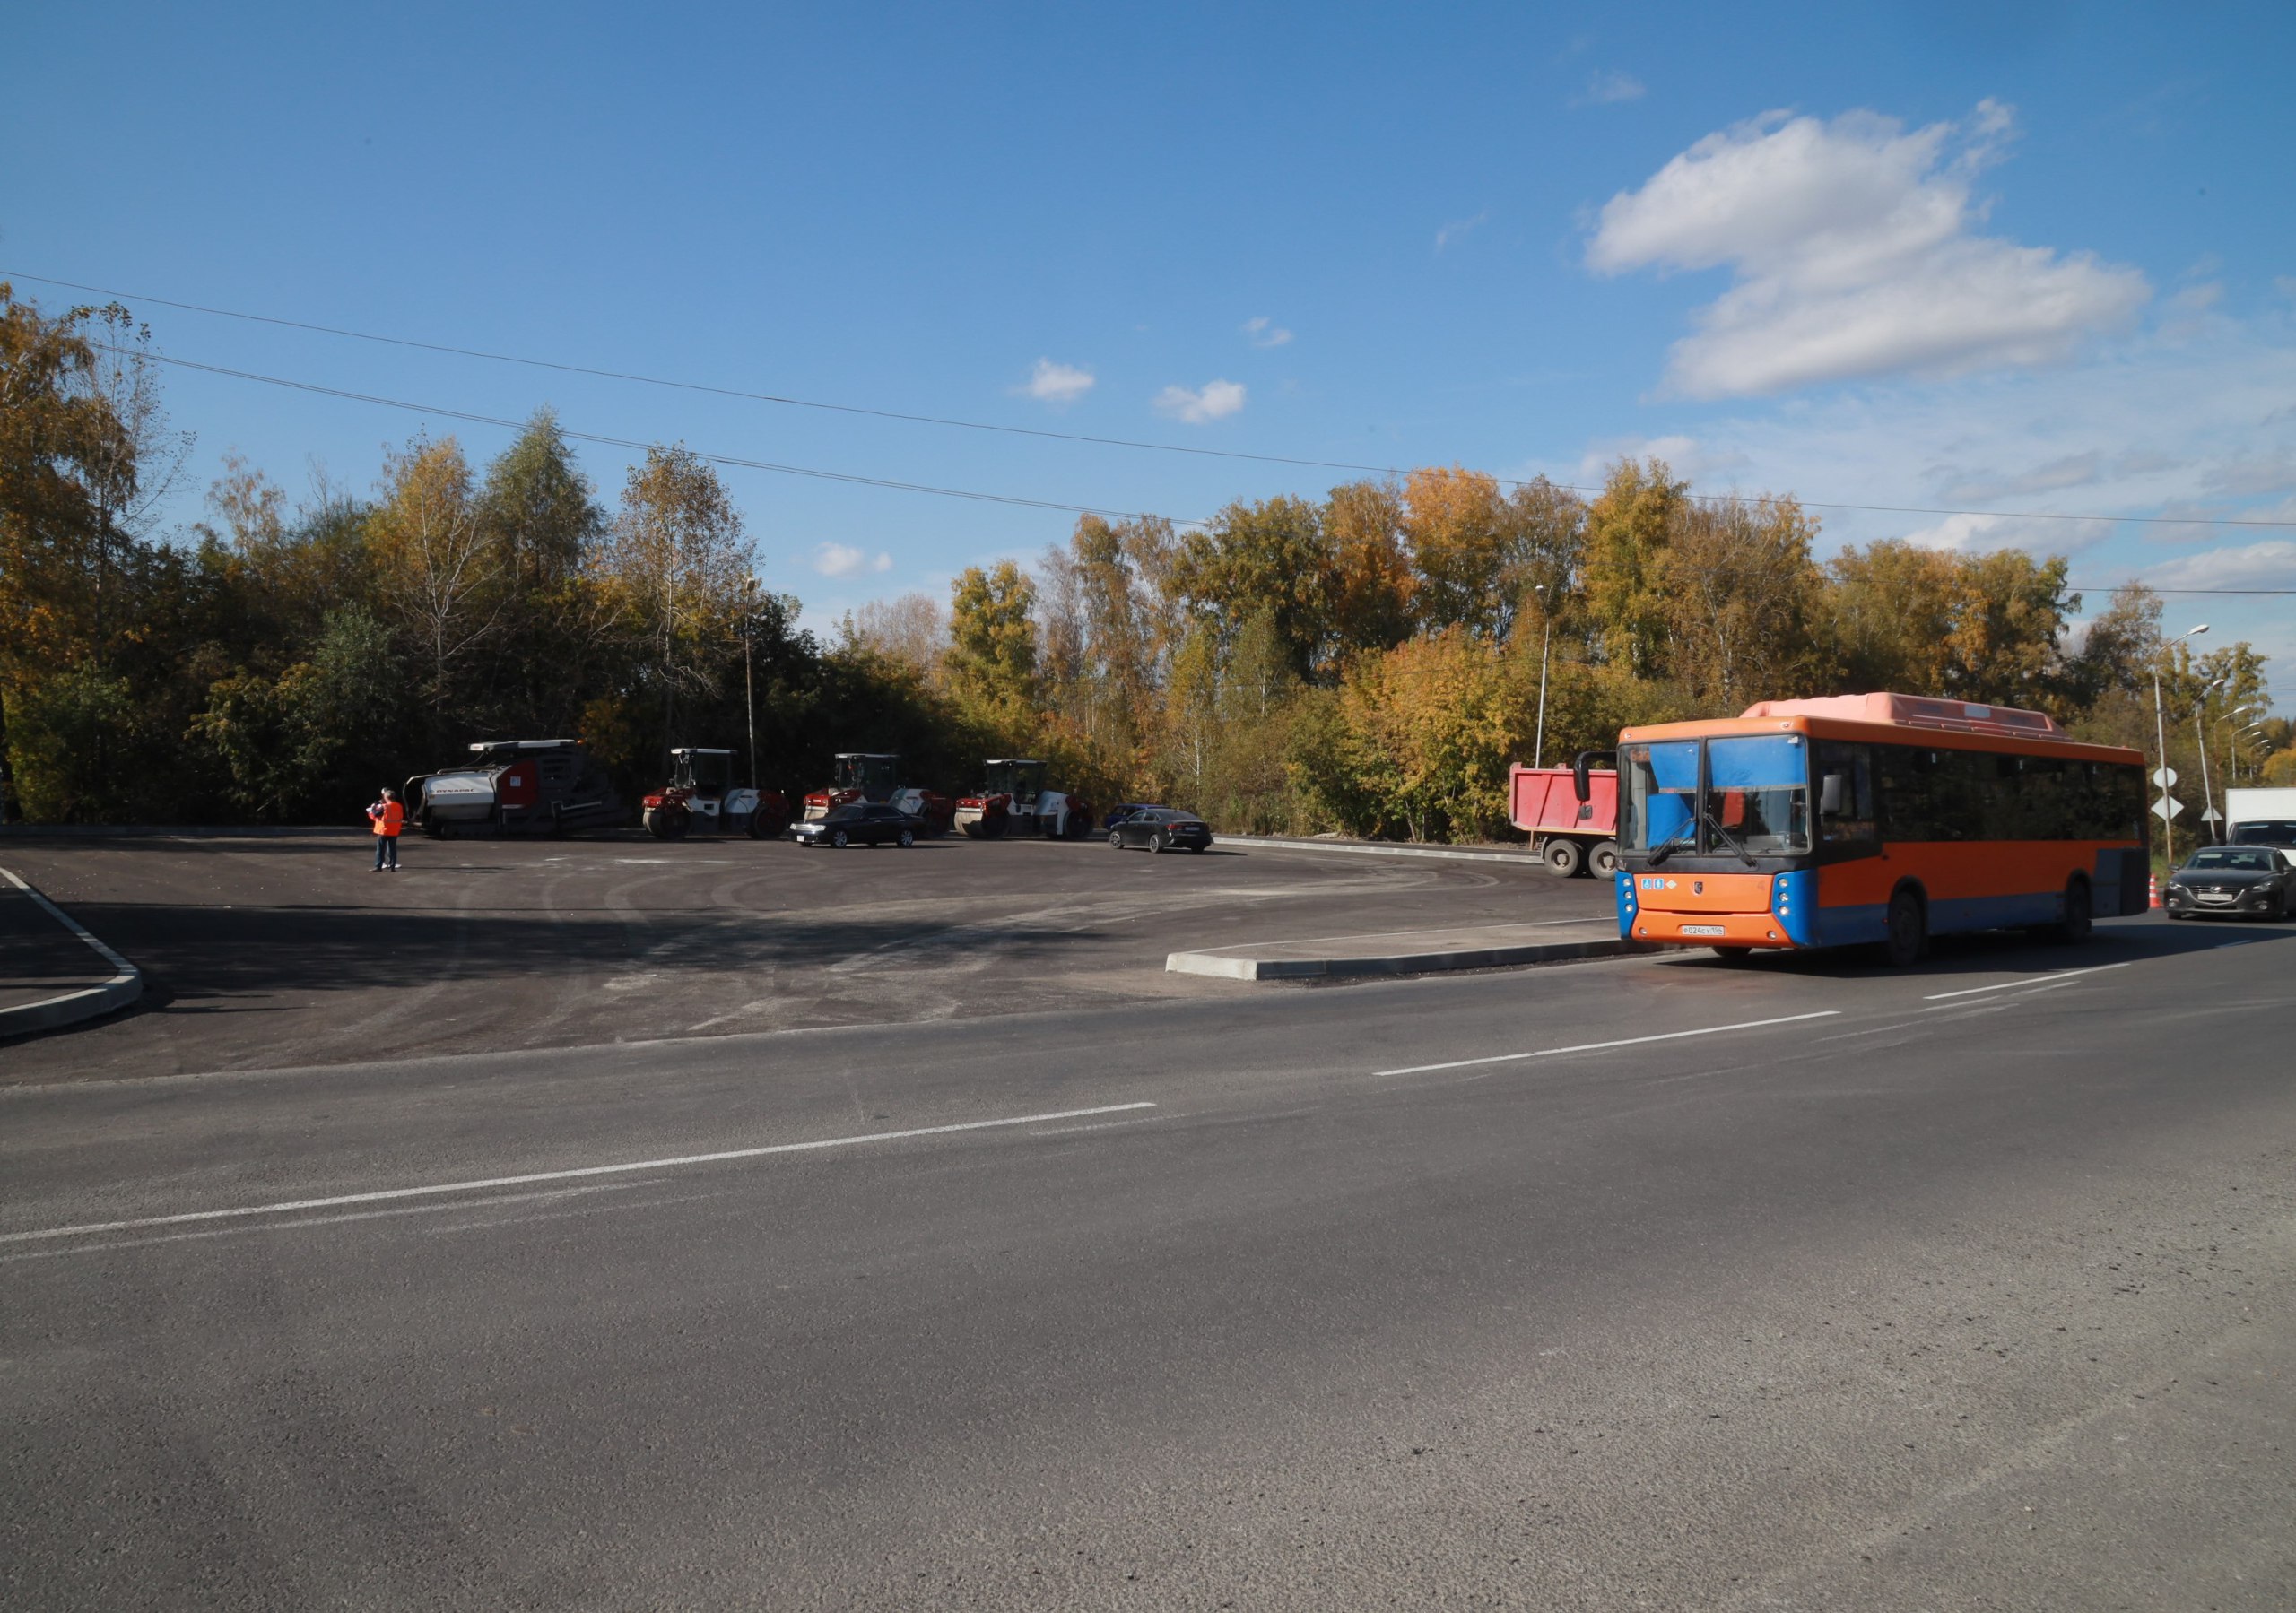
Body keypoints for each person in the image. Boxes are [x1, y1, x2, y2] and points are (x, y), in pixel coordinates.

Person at [368, 786, 404, 871]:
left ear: (386, 797)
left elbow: (374, 815)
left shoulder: (384, 806)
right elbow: (400, 817)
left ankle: (378, 866)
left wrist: (372, 808)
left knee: (380, 850)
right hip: (394, 831)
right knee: (392, 850)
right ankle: (392, 866)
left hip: (383, 830)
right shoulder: (399, 806)